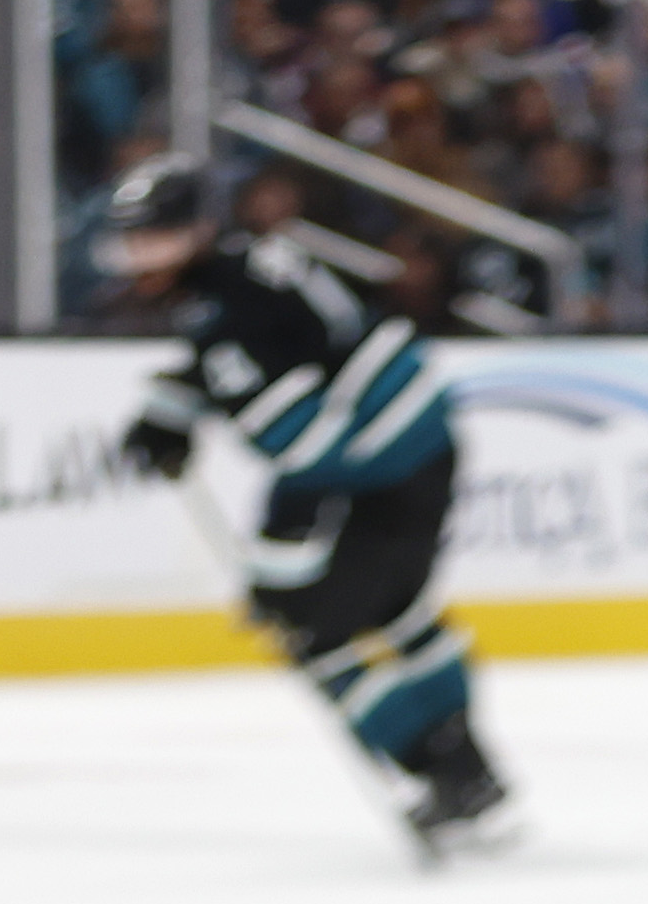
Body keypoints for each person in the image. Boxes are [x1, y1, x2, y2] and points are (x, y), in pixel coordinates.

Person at [107, 155, 513, 848]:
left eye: (155, 235)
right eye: (134, 237)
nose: (138, 253)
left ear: (199, 229)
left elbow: (304, 445)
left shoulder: (226, 313)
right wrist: (172, 408)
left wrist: (273, 564)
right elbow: (285, 361)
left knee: (308, 624)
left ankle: (438, 768)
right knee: (398, 607)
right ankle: (467, 769)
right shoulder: (256, 265)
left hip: (381, 464)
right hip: (424, 444)